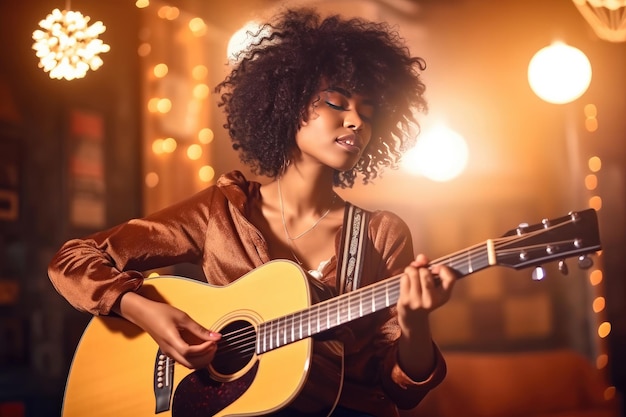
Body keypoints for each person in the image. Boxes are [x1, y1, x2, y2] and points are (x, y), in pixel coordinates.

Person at [48, 7, 457, 417]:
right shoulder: (224, 211)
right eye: (337, 102)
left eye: (367, 113)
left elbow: (402, 391)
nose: (355, 121)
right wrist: (146, 310)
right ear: (288, 102)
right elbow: (73, 261)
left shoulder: (380, 234)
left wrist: (416, 322)